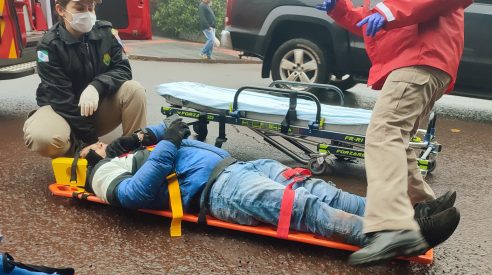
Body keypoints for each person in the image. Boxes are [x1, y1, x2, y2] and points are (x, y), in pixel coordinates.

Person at [79, 120, 460, 251]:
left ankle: (412, 216)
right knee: (302, 207)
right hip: (217, 191)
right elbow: (134, 197)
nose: (101, 142)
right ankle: (398, 236)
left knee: (324, 191)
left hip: (240, 167)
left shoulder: (123, 154)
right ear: (88, 159)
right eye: (94, 146)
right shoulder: (102, 176)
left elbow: (168, 132)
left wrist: (143, 135)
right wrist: (166, 145)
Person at [316, 0, 472, 265]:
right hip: (423, 58)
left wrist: (388, 12)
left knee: (384, 133)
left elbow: (389, 12)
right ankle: (422, 205)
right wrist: (339, 9)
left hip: (420, 57)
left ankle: (394, 226)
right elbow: (371, 21)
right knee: (397, 138)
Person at [23, 0, 147, 159]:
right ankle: (78, 153)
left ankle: (134, 153)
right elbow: (61, 100)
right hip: (61, 111)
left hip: (95, 107)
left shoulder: (107, 34)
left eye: (91, 7)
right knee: (43, 138)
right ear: (61, 10)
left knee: (134, 90)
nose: (87, 14)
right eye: (80, 8)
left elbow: (123, 70)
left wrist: (96, 87)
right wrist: (91, 142)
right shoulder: (49, 46)